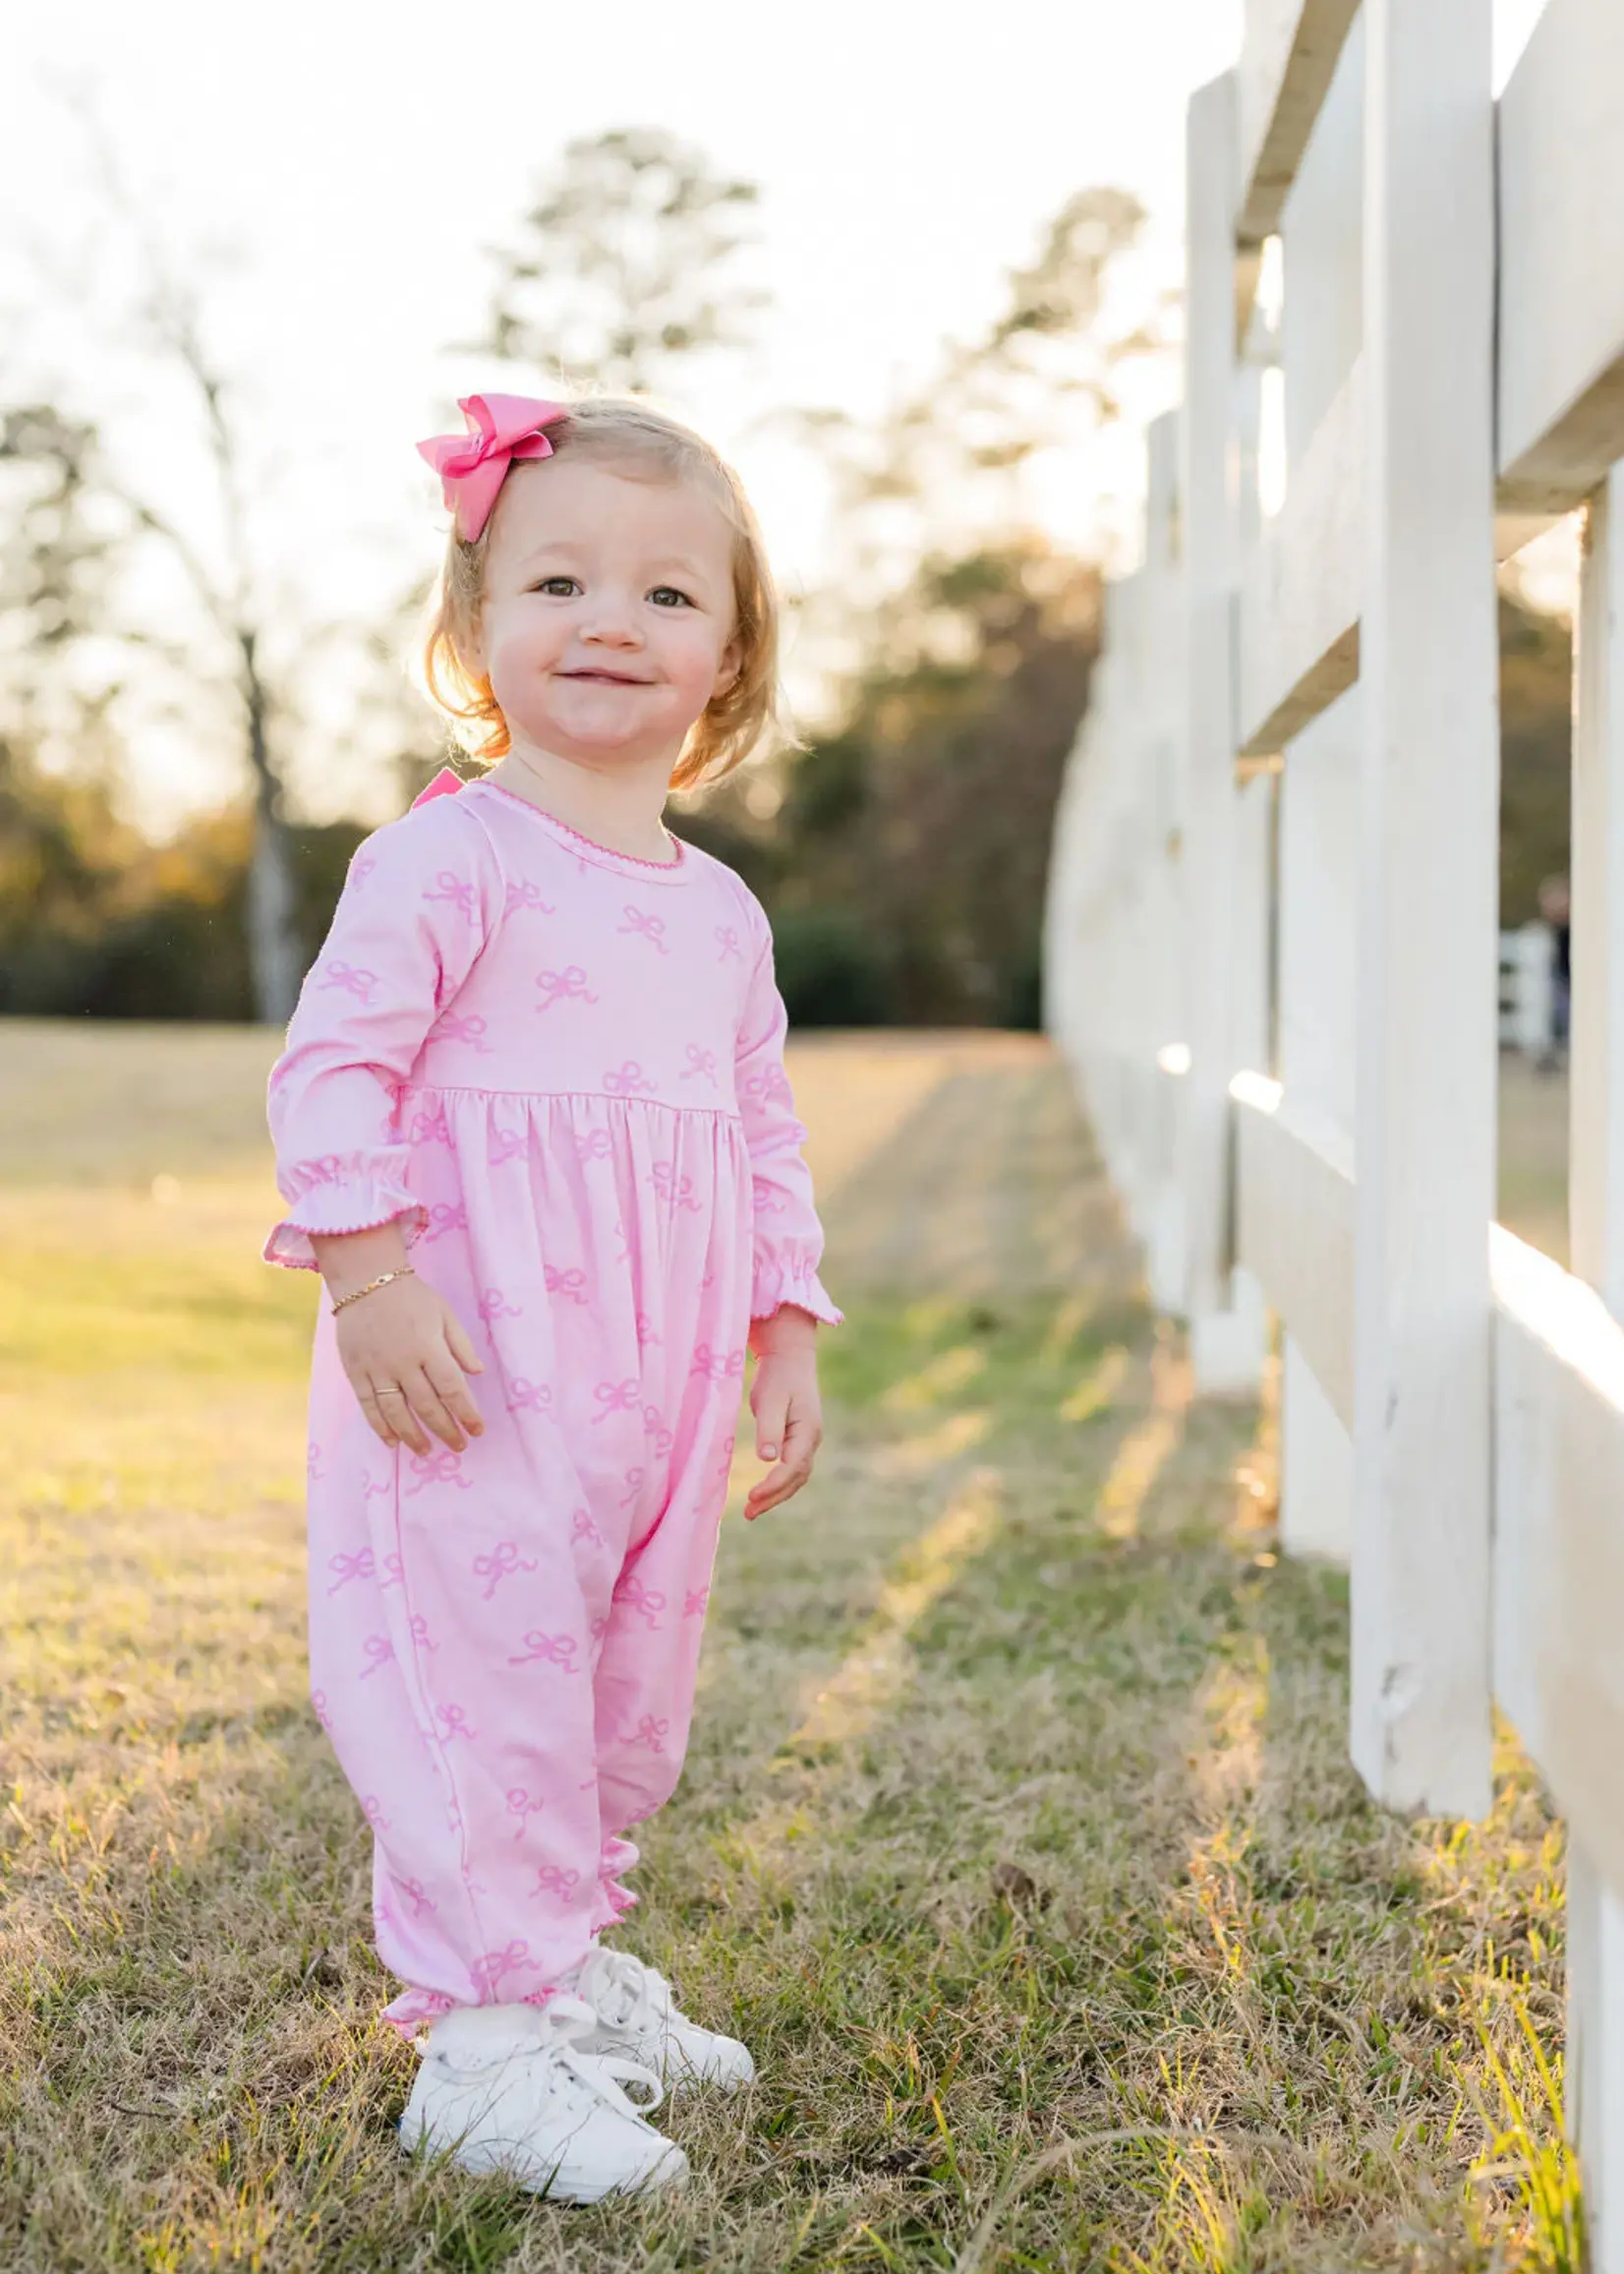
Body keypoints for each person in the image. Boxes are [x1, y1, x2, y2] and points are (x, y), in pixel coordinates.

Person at [261, 392, 842, 2200]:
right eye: (560, 578)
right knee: (476, 1679)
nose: (611, 619)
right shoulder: (451, 858)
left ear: (730, 656)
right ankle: (482, 2046)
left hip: (651, 1385)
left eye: (668, 596)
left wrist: (784, 1321)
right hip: (474, 1362)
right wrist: (368, 1273)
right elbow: (331, 1070)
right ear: (474, 629)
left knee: (615, 1687)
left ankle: (567, 1967)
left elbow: (756, 1124)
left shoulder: (719, 917)